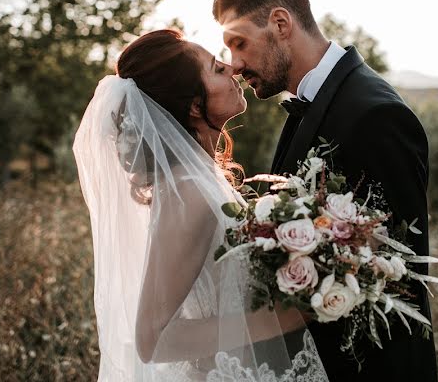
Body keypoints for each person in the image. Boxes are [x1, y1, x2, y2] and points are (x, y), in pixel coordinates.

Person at [213, 0, 438, 380]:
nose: (235, 64)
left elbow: (400, 276)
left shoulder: (377, 114)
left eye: (239, 44)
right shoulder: (310, 101)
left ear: (280, 23)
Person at [73, 29, 328, 381]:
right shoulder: (189, 193)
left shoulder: (199, 180)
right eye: (216, 69)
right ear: (195, 106)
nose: (233, 69)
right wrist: (286, 317)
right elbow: (153, 339)